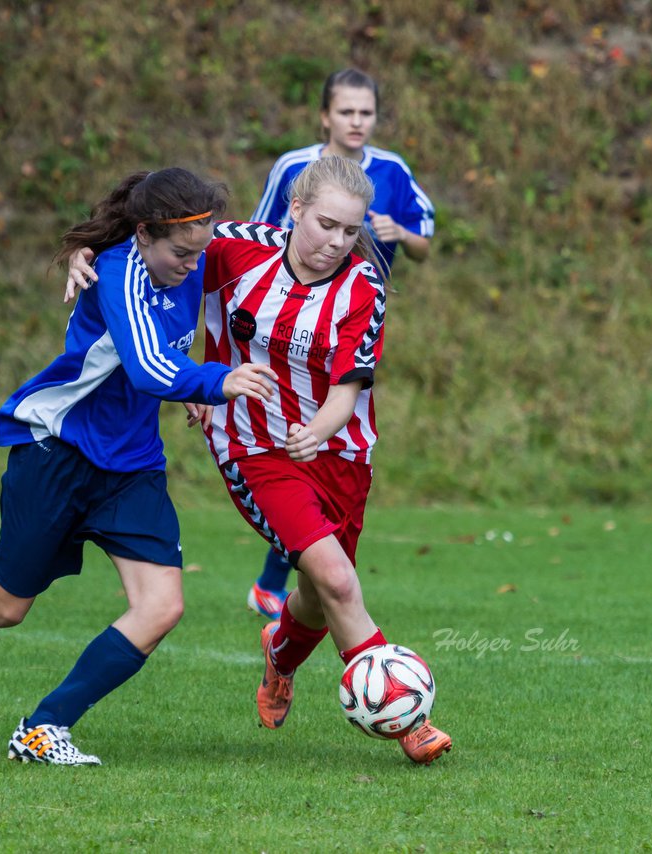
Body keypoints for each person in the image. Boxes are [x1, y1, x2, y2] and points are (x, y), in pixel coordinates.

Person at [67, 156, 451, 765]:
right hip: (254, 447)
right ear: (295, 210)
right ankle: (409, 720)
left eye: (350, 232)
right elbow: (156, 238)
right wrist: (87, 254)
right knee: (338, 580)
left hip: (339, 451)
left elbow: (347, 391)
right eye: (325, 224)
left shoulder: (363, 289)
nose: (335, 243)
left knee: (321, 595)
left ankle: (280, 653)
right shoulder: (235, 248)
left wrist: (317, 431)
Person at [0, 168, 277, 766]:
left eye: (201, 251)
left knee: (162, 606)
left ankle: (44, 727)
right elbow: (146, 368)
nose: (194, 265)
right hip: (56, 450)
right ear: (142, 236)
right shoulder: (116, 269)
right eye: (180, 254)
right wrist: (217, 379)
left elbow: (285, 241)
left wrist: (340, 233)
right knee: (7, 606)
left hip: (131, 465)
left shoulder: (202, 245)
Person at [245, 67, 436, 620]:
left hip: (353, 325)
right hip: (285, 330)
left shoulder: (394, 172)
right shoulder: (293, 168)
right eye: (346, 112)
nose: (357, 122)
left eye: (366, 113)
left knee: (335, 443)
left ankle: (283, 581)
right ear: (325, 115)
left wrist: (403, 237)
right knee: (294, 449)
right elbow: (254, 239)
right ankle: (277, 581)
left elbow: (425, 243)